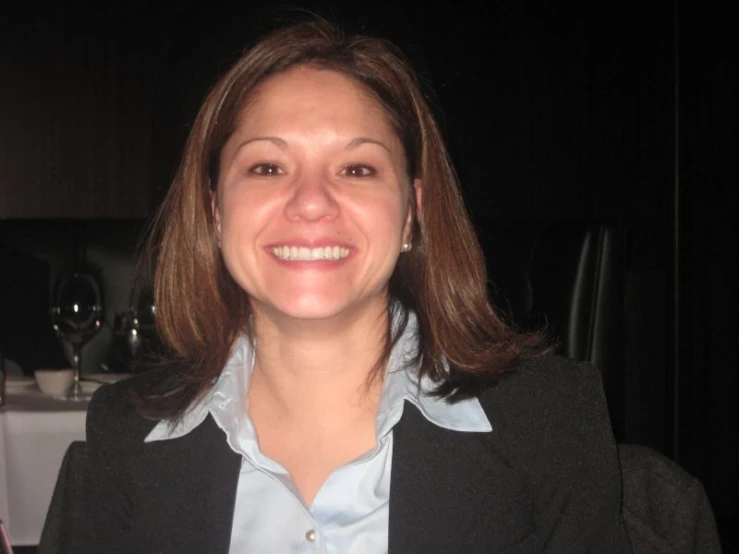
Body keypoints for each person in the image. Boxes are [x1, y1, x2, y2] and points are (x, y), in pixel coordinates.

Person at [83, 17, 632, 553]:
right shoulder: (123, 437)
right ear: (216, 212)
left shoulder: (552, 424)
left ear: (412, 215)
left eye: (357, 169)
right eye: (268, 168)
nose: (312, 202)